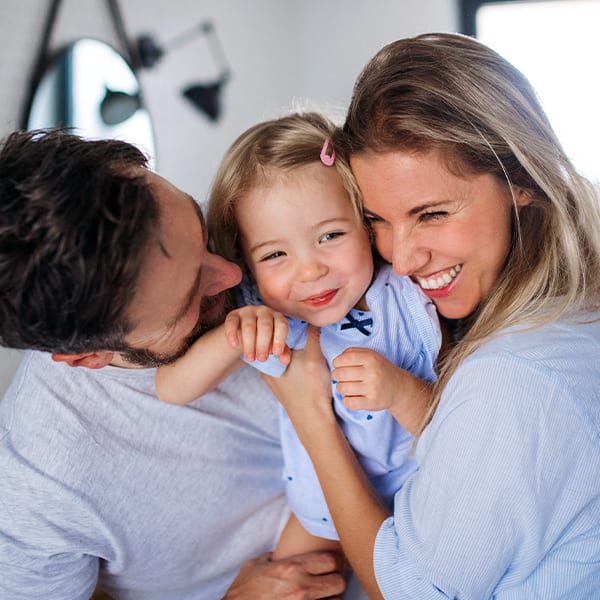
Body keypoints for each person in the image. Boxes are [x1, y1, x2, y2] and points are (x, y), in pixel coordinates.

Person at [263, 32, 600, 599]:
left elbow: (412, 590)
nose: (401, 255)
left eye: (432, 213)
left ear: (521, 181)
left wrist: (312, 419)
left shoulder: (510, 380)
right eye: (377, 221)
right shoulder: (570, 303)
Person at [0, 129, 351, 600]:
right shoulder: (38, 485)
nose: (232, 272)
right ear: (88, 356)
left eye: (202, 231)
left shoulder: (259, 223)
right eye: (192, 298)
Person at [154, 112, 441, 560]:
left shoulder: (408, 298)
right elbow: (171, 388)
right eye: (275, 254)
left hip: (422, 502)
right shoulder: (270, 318)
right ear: (247, 263)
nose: (310, 270)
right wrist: (235, 334)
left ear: (365, 223)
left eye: (330, 234)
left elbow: (455, 433)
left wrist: (401, 391)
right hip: (320, 513)